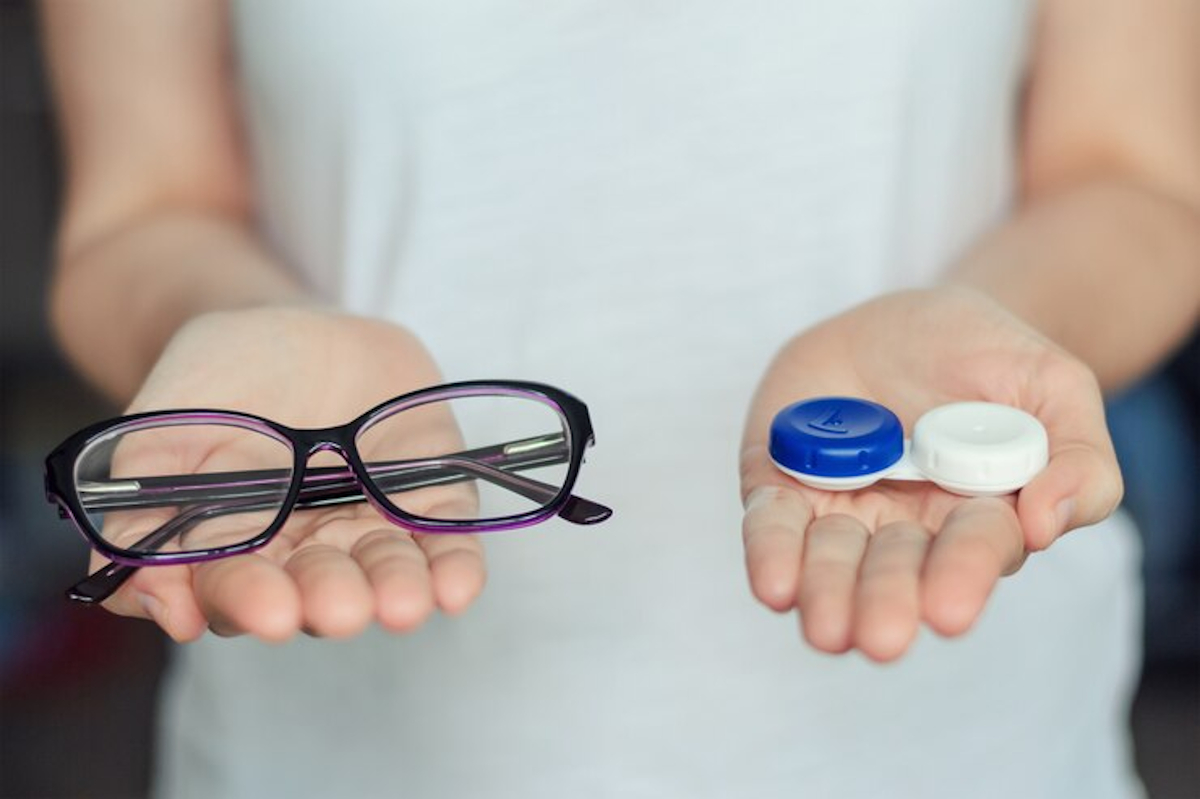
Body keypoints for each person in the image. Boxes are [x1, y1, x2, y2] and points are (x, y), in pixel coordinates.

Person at [40, 1, 1200, 797]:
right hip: (337, 744)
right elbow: (138, 211)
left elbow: (1135, 183)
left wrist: (997, 324)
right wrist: (231, 320)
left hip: (967, 746)